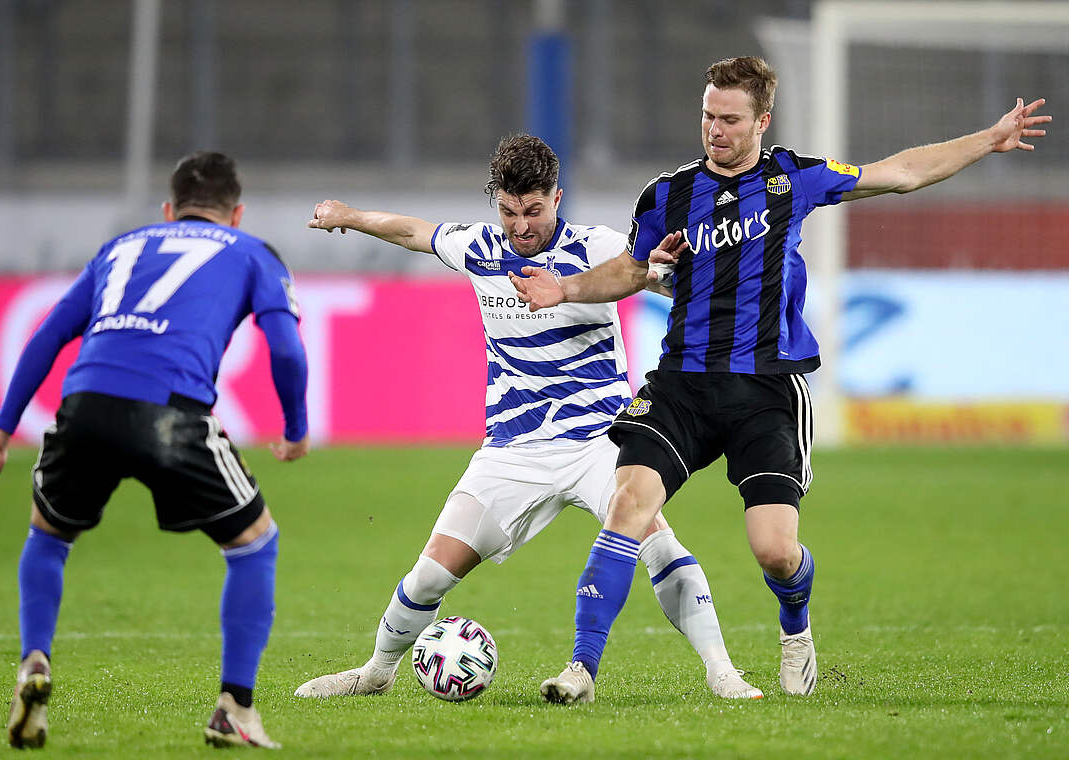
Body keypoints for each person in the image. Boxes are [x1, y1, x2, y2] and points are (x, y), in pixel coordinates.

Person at [513, 56, 1051, 700]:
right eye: (708, 116)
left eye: (730, 119)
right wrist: (564, 289)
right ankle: (582, 670)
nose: (715, 130)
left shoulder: (795, 178)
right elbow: (632, 270)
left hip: (766, 389)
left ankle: (795, 627)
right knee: (629, 503)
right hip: (683, 381)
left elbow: (901, 173)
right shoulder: (665, 195)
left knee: (773, 549)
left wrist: (988, 140)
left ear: (762, 120)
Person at [296, 134, 762, 703]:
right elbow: (412, 231)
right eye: (510, 211)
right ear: (497, 203)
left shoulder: (598, 248)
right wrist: (350, 216)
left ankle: (722, 672)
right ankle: (375, 673)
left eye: (534, 211)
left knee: (659, 545)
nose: (522, 226)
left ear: (557, 198)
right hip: (511, 449)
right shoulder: (479, 247)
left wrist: (671, 275)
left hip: (601, 441)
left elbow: (661, 277)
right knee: (429, 576)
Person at [0, 151, 308, 750]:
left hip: (85, 403)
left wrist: (1, 427)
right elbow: (285, 349)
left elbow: (49, 333)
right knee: (255, 544)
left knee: (48, 535)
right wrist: (296, 425)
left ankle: (33, 664)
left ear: (169, 210)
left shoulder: (121, 247)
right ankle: (235, 708)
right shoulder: (252, 252)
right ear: (237, 213)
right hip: (171, 412)